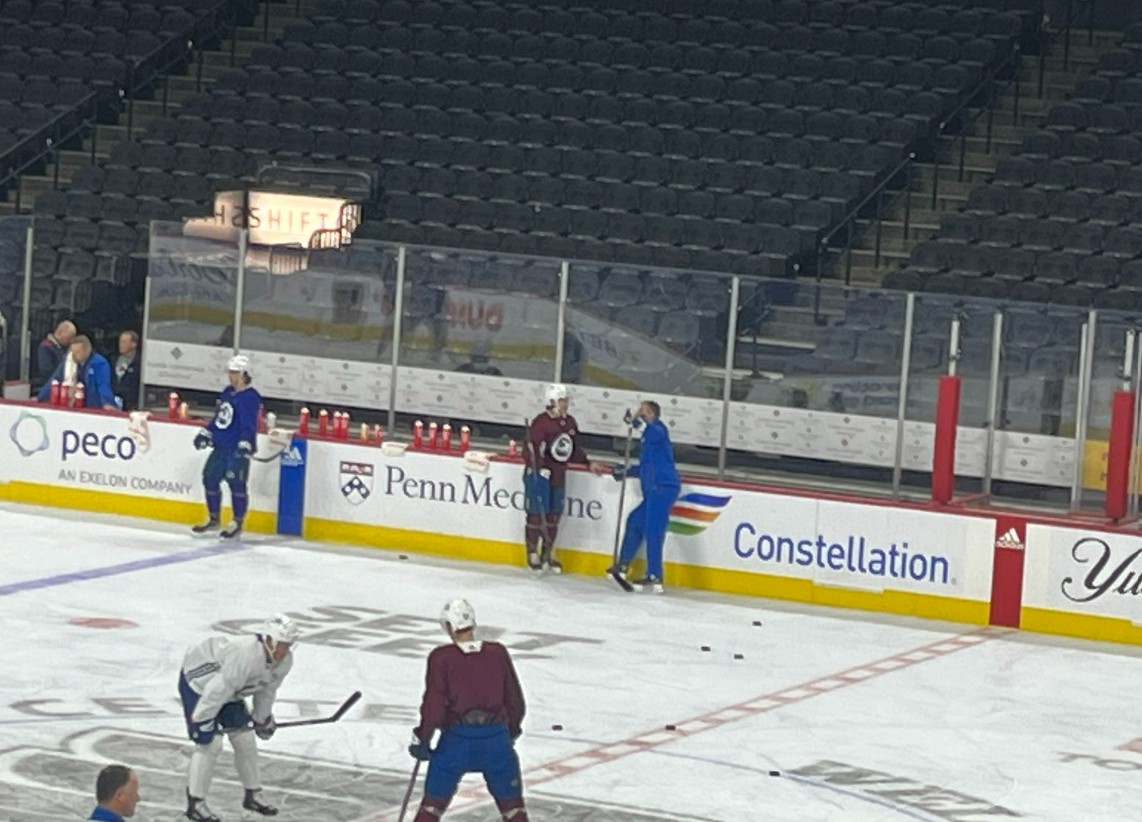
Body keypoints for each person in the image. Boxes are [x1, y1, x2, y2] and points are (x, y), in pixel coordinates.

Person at [408, 599, 529, 822]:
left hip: (456, 743)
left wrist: (423, 738)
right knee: (514, 810)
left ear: (448, 626)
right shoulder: (497, 653)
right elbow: (515, 701)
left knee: (431, 808)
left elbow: (434, 705)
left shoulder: (442, 657)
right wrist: (507, 733)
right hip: (496, 743)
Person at [178, 614, 299, 822]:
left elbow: (266, 691)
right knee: (209, 744)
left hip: (230, 690)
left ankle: (253, 795)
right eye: (281, 644)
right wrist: (202, 720)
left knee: (244, 739)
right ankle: (196, 804)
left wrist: (262, 719)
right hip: (199, 684)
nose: (284, 650)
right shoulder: (245, 655)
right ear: (268, 640)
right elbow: (217, 689)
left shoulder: (284, 661)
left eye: (288, 645)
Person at [600, 401, 681, 594]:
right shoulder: (647, 440)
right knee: (636, 521)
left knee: (653, 530)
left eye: (642, 411)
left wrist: (636, 423)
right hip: (654, 488)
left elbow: (654, 433)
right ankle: (623, 565)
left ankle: (655, 575)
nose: (638, 412)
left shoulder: (658, 431)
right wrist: (627, 470)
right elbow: (647, 467)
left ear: (652, 414)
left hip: (662, 487)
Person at [523, 383, 596, 573]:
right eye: (562, 400)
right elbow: (531, 449)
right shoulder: (541, 422)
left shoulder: (570, 422)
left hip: (558, 473)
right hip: (539, 475)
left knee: (554, 514)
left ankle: (547, 552)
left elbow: (574, 449)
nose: (566, 404)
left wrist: (588, 463)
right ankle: (532, 552)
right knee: (537, 514)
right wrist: (537, 468)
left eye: (566, 400)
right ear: (552, 402)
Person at [192, 354, 261, 539]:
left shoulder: (250, 397)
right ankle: (214, 518)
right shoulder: (227, 393)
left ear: (245, 374)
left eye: (235, 372)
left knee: (236, 483)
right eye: (230, 372)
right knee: (209, 478)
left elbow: (249, 424)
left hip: (236, 449)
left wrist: (245, 443)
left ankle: (237, 521)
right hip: (221, 447)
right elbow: (220, 418)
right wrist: (207, 433)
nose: (231, 376)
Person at [36, 335, 119, 410]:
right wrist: (40, 397)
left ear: (87, 350)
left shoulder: (100, 363)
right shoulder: (69, 362)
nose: (75, 355)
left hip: (93, 406)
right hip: (73, 405)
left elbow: (103, 385)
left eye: (78, 352)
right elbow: (55, 379)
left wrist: (107, 403)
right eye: (73, 352)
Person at [33, 319, 75, 390]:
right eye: (70, 337)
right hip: (48, 386)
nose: (71, 340)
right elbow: (46, 370)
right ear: (61, 332)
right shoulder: (45, 347)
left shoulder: (62, 348)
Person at [111, 330, 141, 412]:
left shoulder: (140, 363)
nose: (120, 345)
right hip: (113, 406)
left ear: (134, 344)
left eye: (124, 342)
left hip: (131, 407)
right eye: (120, 341)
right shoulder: (113, 360)